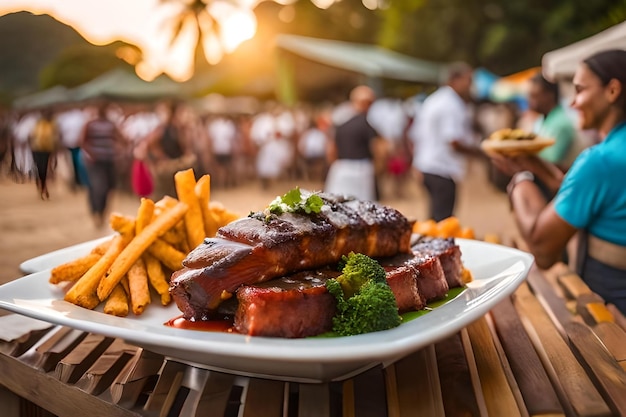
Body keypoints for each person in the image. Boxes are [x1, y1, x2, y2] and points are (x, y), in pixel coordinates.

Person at [490, 49, 626, 313]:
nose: (573, 103)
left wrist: (521, 179)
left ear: (612, 90)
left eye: (580, 90)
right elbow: (599, 197)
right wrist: (540, 169)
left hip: (614, 315)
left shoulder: (599, 160)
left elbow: (543, 251)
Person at [412, 62, 478, 221]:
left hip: (428, 166)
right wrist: (481, 152)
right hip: (441, 168)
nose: (471, 85)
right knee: (444, 222)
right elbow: (453, 141)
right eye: (468, 80)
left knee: (435, 218)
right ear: (455, 80)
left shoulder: (435, 99)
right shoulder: (451, 104)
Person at [324, 85, 379, 201]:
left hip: (340, 168)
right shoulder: (367, 121)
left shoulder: (339, 117)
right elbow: (378, 147)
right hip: (360, 168)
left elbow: (331, 148)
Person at [79, 102, 126, 227]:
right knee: (99, 187)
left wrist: (119, 150)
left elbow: (121, 138)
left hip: (109, 160)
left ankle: (102, 212)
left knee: (108, 188)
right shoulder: (90, 125)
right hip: (95, 162)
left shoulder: (111, 125)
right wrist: (91, 154)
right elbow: (82, 142)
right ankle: (96, 211)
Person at [528, 73, 577, 172]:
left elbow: (552, 160)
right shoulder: (540, 120)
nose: (531, 102)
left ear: (549, 95)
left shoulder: (561, 122)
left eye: (535, 96)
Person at [29, 108, 60, 200]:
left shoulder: (53, 125)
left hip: (47, 150)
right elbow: (31, 136)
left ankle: (43, 187)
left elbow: (55, 139)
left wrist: (55, 152)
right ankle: (42, 187)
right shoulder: (38, 124)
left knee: (44, 169)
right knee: (39, 169)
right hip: (36, 149)